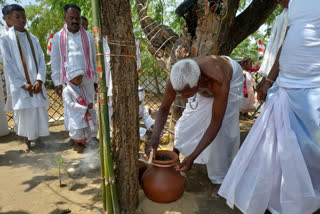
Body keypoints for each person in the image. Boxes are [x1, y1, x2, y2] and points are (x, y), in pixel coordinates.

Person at [219, 0, 320, 213]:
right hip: (285, 87)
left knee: (309, 153)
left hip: (313, 90)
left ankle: (303, 203)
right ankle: (275, 201)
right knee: (277, 150)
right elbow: (286, 43)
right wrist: (269, 80)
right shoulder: (295, 7)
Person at [145, 56, 243, 195]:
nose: (183, 97)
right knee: (184, 124)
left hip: (232, 79)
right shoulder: (177, 77)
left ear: (199, 83)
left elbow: (216, 123)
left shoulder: (219, 80)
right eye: (180, 92)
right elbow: (164, 109)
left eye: (186, 93)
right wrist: (154, 139)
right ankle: (175, 155)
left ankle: (220, 178)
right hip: (203, 83)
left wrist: (193, 156)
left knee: (222, 135)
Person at [0, 4, 49, 151]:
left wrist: (39, 80)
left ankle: (39, 138)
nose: (22, 19)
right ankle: (26, 140)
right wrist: (23, 84)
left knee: (38, 111)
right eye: (17, 17)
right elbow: (9, 65)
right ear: (7, 19)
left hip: (36, 83)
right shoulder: (5, 39)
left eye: (23, 16)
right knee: (24, 112)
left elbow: (41, 60)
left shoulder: (33, 38)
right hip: (20, 85)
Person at [51, 4, 97, 145]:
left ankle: (92, 136)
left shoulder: (88, 36)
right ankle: (76, 138)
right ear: (65, 17)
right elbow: (55, 60)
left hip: (87, 79)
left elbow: (93, 58)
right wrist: (57, 82)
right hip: (69, 82)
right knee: (72, 110)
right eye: (71, 18)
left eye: (77, 18)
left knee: (90, 108)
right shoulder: (58, 37)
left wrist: (95, 80)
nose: (75, 21)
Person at [62, 69, 97, 153]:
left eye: (81, 78)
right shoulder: (66, 90)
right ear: (71, 78)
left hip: (84, 113)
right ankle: (77, 144)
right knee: (77, 130)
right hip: (75, 114)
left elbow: (87, 97)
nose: (80, 81)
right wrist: (83, 108)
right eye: (78, 79)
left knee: (84, 129)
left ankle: (83, 143)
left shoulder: (82, 88)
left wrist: (90, 103)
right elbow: (69, 104)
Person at [0, 5, 12, 137]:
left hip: (28, 74)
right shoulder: (2, 35)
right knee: (16, 105)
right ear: (5, 18)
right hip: (11, 74)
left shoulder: (25, 34)